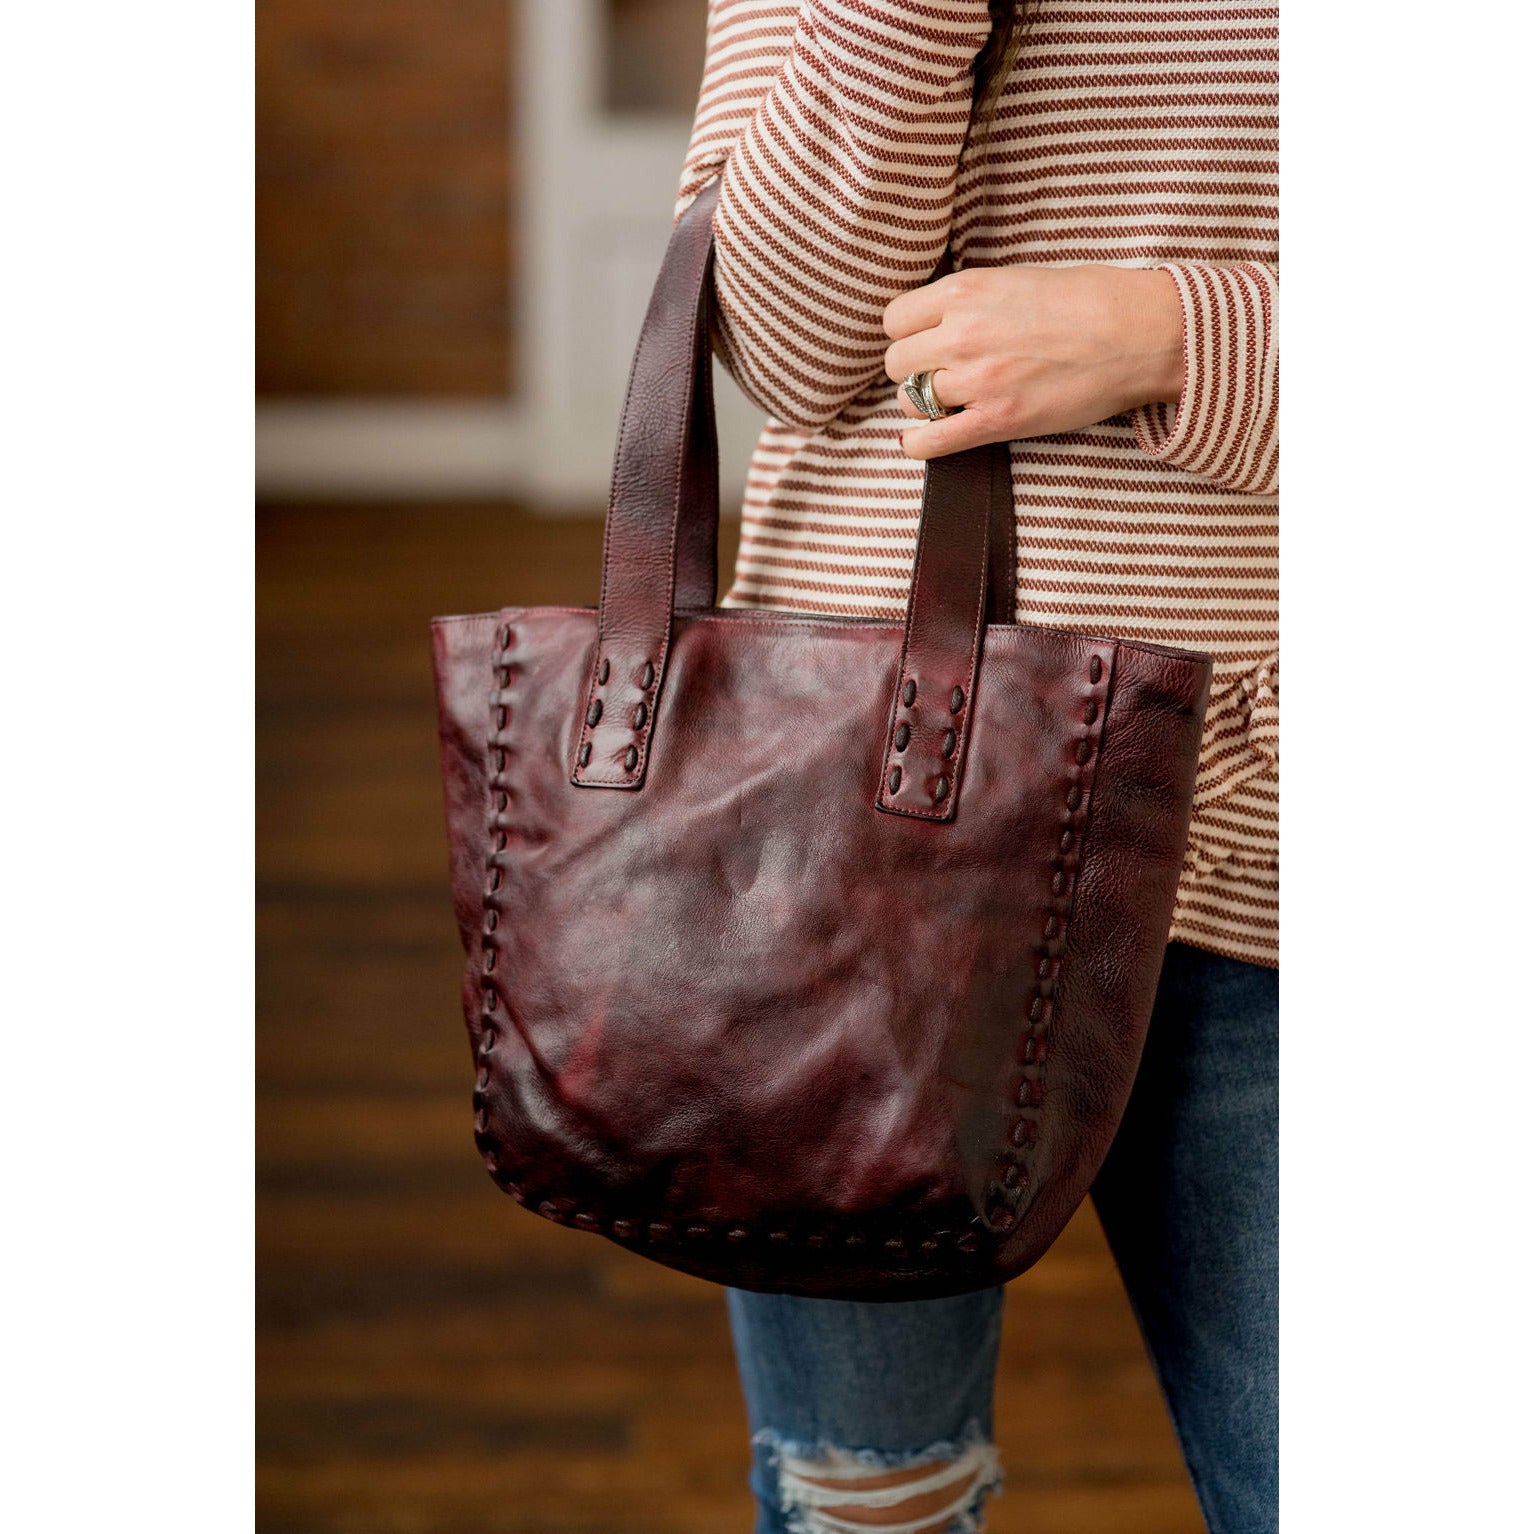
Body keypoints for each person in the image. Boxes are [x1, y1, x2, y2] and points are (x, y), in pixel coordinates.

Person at [674, 2, 1278, 1531]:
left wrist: (1170, 334)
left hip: (1280, 815)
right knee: (870, 1498)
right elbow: (779, 343)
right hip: (855, 817)